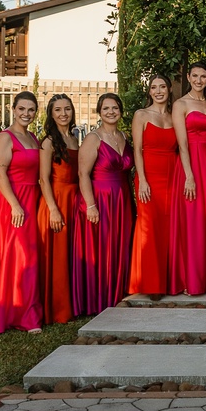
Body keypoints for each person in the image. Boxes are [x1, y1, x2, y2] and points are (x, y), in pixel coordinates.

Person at [77, 92, 135, 314]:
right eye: (106, 108)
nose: (111, 112)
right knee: (103, 247)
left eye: (115, 108)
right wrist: (91, 205)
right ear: (99, 112)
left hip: (122, 199)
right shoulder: (94, 138)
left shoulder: (124, 136)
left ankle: (118, 293)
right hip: (101, 198)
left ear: (121, 111)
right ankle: (100, 298)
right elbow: (83, 173)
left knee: (120, 245)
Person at [0, 91, 43, 333]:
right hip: (13, 201)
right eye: (22, 109)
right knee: (20, 256)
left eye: (31, 110)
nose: (26, 113)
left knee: (30, 255)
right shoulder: (5, 137)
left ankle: (24, 309)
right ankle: (22, 315)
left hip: (32, 199)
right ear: (13, 110)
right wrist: (14, 204)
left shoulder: (32, 137)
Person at [129, 73, 179, 298]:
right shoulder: (141, 115)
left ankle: (170, 282)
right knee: (149, 228)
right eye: (154, 87)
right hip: (148, 178)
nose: (158, 91)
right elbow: (137, 150)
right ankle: (151, 284)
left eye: (162, 87)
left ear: (169, 90)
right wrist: (142, 180)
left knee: (169, 228)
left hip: (172, 177)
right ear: (149, 92)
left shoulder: (174, 116)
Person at [171, 62, 206, 295]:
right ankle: (191, 280)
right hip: (190, 164)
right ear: (188, 78)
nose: (199, 80)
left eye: (203, 76)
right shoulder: (180, 104)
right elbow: (181, 143)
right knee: (193, 221)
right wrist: (189, 175)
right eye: (195, 76)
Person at [37, 93, 80, 324]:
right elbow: (43, 179)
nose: (64, 114)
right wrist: (53, 209)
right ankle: (58, 309)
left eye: (67, 109)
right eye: (58, 110)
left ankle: (72, 302)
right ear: (51, 115)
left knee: (70, 254)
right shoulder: (48, 142)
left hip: (73, 199)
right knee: (58, 256)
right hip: (56, 201)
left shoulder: (74, 138)